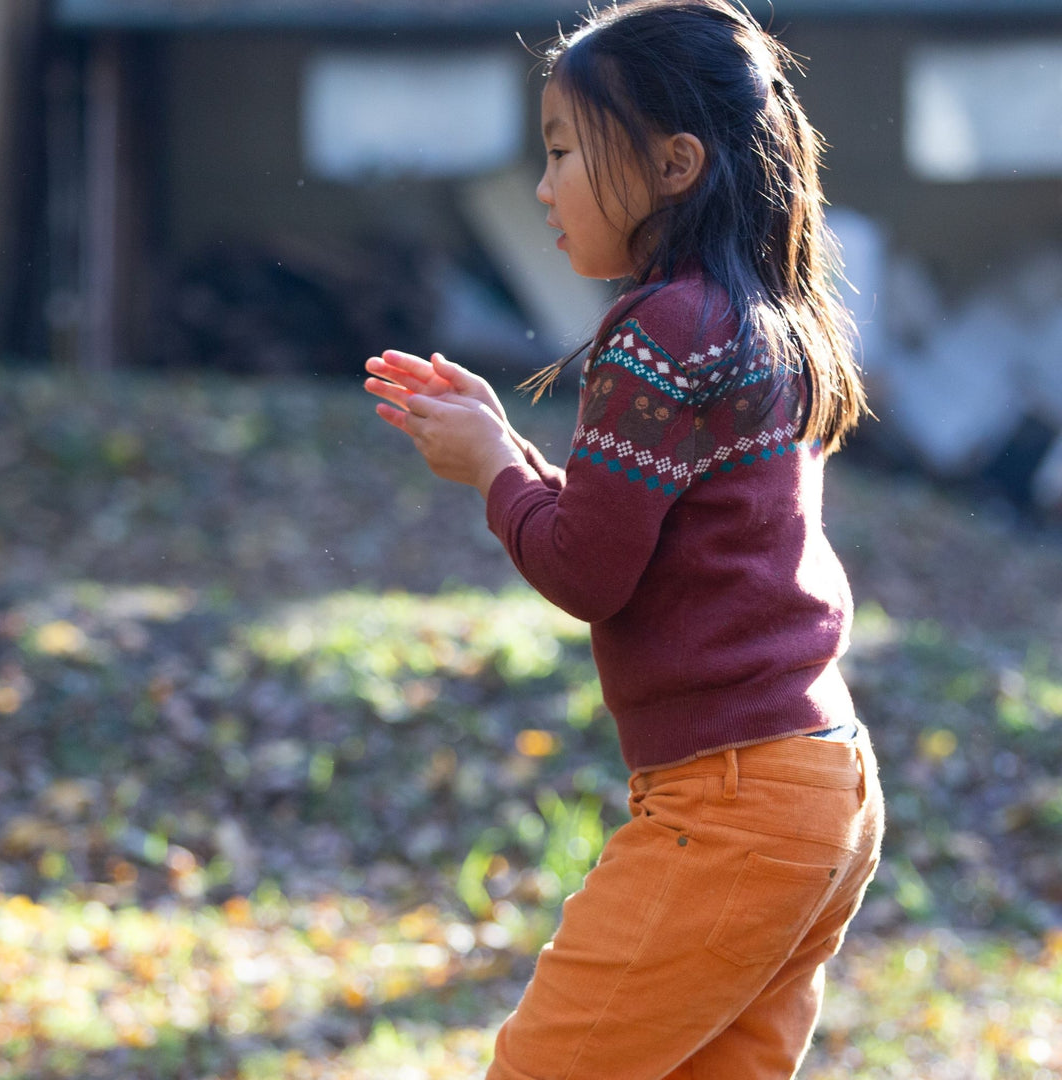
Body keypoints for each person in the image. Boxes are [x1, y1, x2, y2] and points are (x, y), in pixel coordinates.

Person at [363, 1, 884, 1076]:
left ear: (673, 164)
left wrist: (491, 471)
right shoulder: (759, 318)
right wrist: (509, 445)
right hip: (819, 790)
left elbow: (589, 571)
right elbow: (641, 529)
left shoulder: (658, 329)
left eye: (562, 150)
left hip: (733, 807)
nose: (543, 186)